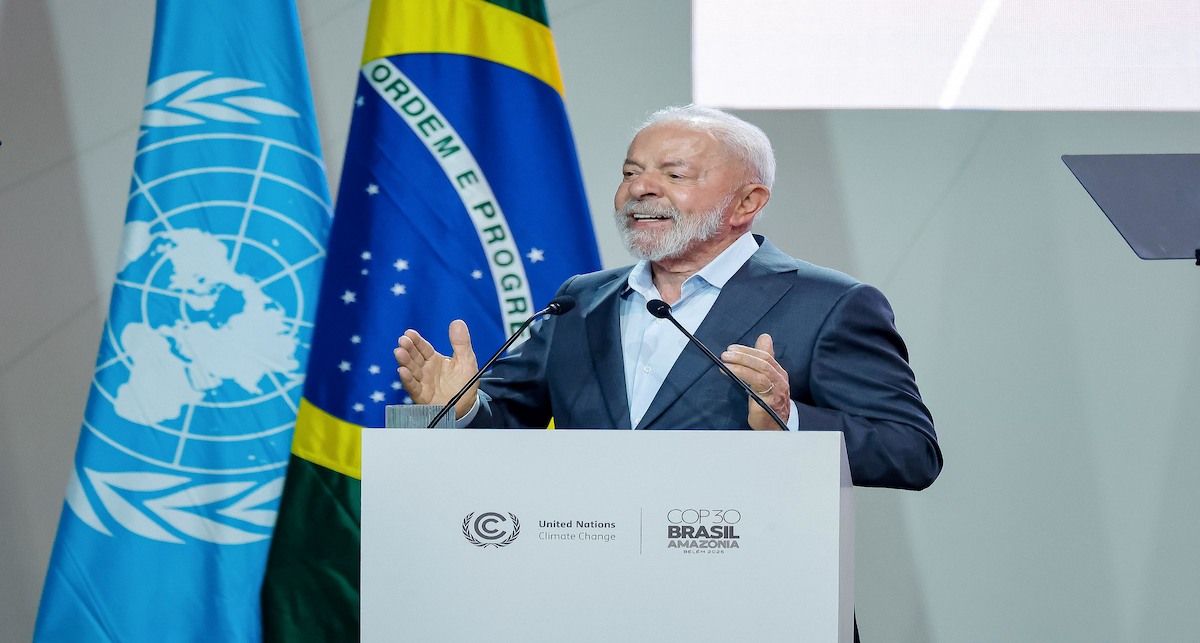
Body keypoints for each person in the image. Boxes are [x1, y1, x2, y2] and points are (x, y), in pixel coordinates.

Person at [394, 105, 941, 491]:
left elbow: (910, 453)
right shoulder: (579, 302)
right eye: (630, 172)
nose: (640, 188)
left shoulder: (830, 304)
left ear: (746, 202)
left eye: (672, 174)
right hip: (589, 592)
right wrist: (463, 410)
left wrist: (790, 421)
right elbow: (510, 428)